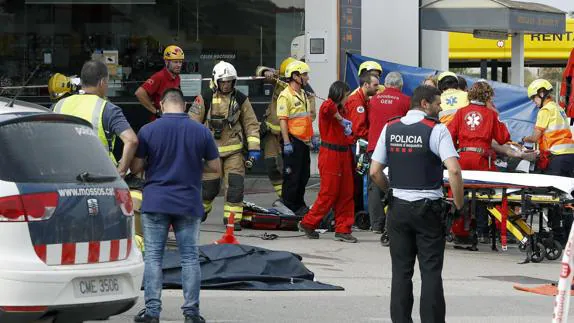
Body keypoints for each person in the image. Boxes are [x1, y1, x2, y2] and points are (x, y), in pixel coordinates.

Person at [369, 85, 464, 323]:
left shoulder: (390, 128)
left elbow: (374, 172)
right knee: (430, 272)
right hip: (428, 208)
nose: (441, 107)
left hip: (398, 208)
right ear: (424, 104)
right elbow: (454, 170)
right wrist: (459, 204)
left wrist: (390, 191)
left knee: (400, 272)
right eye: (437, 103)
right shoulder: (436, 130)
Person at [131, 88, 221, 323]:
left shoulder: (148, 130)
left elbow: (136, 168)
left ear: (161, 105)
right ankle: (191, 313)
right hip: (188, 202)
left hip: (156, 201)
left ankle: (152, 312)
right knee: (190, 257)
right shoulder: (200, 131)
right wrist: (193, 166)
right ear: (184, 105)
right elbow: (215, 168)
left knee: (153, 257)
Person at [189, 61, 261, 230]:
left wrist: (254, 149)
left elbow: (251, 124)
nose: (226, 85)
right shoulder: (204, 98)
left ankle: (232, 220)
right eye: (223, 81)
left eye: (229, 81)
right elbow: (191, 124)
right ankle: (200, 212)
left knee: (235, 187)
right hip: (210, 153)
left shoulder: (241, 99)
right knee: (209, 189)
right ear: (216, 81)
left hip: (234, 152)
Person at [53, 60, 138, 177]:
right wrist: (121, 170)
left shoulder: (59, 105)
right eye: (107, 83)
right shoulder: (108, 108)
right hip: (100, 176)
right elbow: (131, 140)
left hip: (63, 173)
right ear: (102, 82)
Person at [298, 81, 357, 242]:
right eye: (346, 95)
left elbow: (349, 131)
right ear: (339, 95)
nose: (347, 98)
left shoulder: (343, 110)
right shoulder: (329, 107)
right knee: (328, 193)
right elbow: (328, 106)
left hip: (343, 154)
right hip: (331, 154)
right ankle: (308, 223)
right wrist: (340, 118)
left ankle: (343, 228)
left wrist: (348, 131)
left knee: (346, 193)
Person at [255, 57, 316, 199]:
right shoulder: (281, 78)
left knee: (292, 170)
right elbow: (259, 70)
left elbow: (309, 116)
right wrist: (265, 72)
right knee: (272, 166)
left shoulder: (306, 92)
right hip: (272, 133)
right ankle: (283, 196)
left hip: (290, 137)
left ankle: (289, 198)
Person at [366, 72, 410, 237]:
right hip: (397, 146)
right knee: (399, 183)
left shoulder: (373, 100)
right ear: (400, 85)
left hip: (375, 146)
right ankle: (396, 221)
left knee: (375, 185)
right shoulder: (406, 100)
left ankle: (376, 224)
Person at [277, 60, 314, 215]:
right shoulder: (285, 96)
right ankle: (290, 205)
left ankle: (299, 203)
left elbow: (306, 118)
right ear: (295, 76)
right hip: (293, 141)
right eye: (304, 74)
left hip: (304, 142)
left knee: (303, 175)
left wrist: (311, 139)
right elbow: (283, 120)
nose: (307, 78)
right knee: (292, 176)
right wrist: (286, 142)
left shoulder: (303, 94)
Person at [447, 81, 511, 171]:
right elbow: (503, 138)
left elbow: (449, 136)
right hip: (482, 160)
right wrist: (496, 113)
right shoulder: (491, 114)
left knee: (459, 184)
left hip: (462, 158)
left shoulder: (460, 112)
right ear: (488, 97)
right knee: (492, 184)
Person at [523, 79, 574, 177]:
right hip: (570, 154)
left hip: (558, 156)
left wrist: (524, 139)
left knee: (553, 189)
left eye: (534, 98)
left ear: (541, 93)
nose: (534, 102)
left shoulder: (545, 110)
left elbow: (535, 138)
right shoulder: (558, 108)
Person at [346, 72, 380, 215]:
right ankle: (356, 212)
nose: (378, 88)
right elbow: (358, 129)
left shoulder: (364, 100)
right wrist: (374, 137)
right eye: (375, 85)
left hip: (359, 145)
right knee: (358, 181)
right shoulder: (356, 102)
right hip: (356, 146)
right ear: (366, 85)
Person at [135, 45, 184, 120]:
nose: (179, 65)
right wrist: (156, 111)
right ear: (166, 62)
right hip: (160, 121)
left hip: (173, 119)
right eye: (175, 62)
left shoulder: (177, 77)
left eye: (180, 62)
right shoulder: (159, 77)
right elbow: (139, 93)